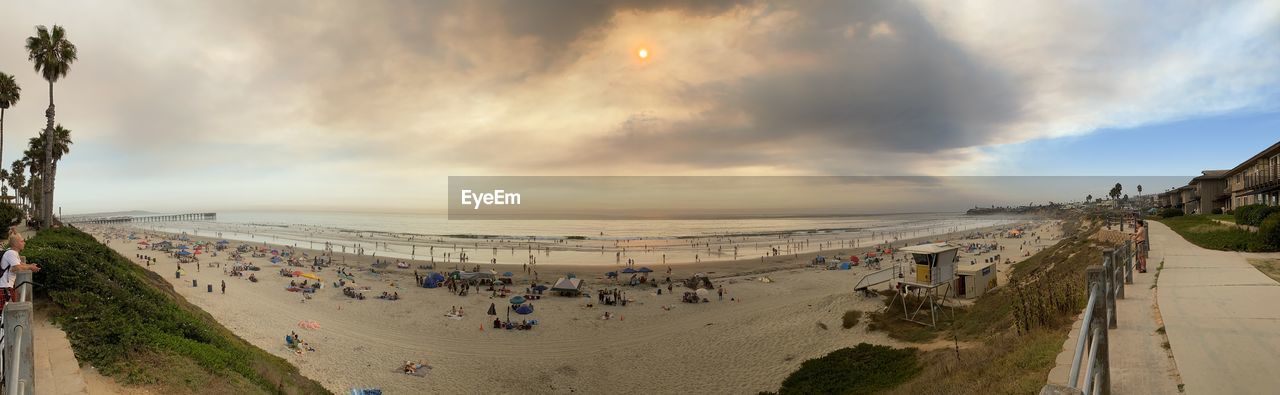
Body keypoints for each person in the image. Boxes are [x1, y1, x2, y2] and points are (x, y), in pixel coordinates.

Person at [1, 231, 40, 310]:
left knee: (5, 313)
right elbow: (17, 267)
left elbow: (20, 264)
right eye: (22, 241)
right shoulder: (11, 253)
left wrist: (30, 266)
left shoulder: (11, 252)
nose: (24, 243)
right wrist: (30, 268)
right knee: (4, 312)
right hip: (3, 287)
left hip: (6, 287)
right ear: (16, 244)